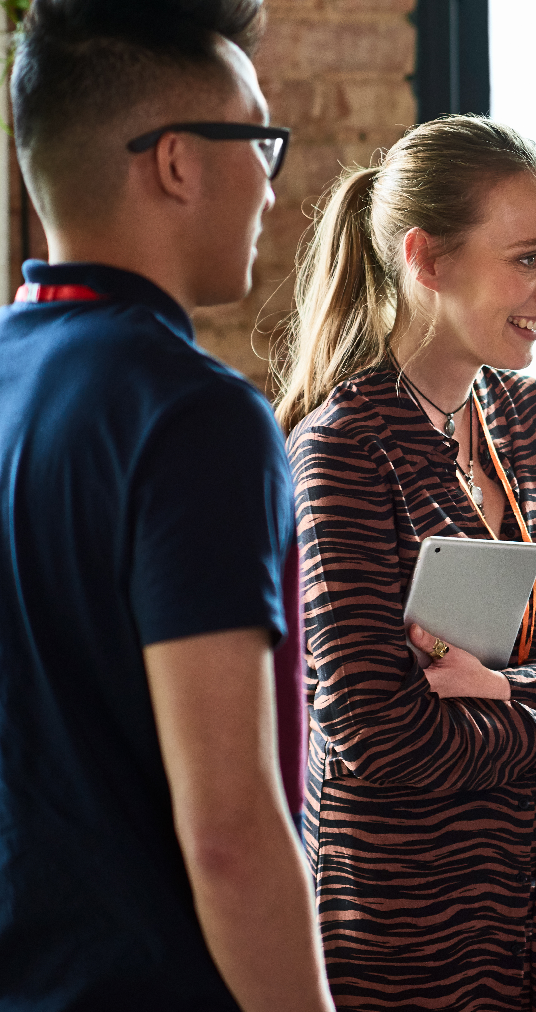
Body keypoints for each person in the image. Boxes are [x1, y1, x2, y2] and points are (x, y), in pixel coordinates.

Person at [0, 1, 333, 1009]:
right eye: (259, 140)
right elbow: (231, 834)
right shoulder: (197, 418)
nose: (274, 190)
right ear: (177, 162)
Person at [277, 115, 536, 1012]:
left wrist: (505, 689)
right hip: (401, 945)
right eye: (528, 258)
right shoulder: (342, 454)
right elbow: (377, 736)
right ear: (427, 260)